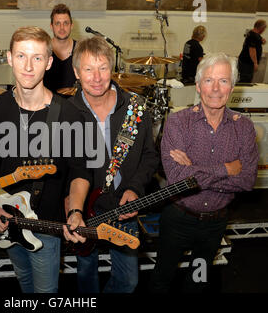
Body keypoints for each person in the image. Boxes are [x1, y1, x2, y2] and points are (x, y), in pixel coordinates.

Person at [0, 26, 91, 293]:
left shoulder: (69, 114)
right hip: (4, 216)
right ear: (9, 58)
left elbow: (80, 171)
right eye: (21, 56)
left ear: (49, 62)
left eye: (37, 58)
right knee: (24, 281)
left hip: (45, 223)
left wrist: (75, 210)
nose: (28, 66)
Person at [150, 53, 259, 293]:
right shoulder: (178, 123)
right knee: (162, 279)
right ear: (198, 87)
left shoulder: (244, 128)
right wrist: (226, 169)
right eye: (209, 81)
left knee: (197, 281)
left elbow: (247, 181)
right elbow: (178, 179)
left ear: (232, 87)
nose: (216, 89)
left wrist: (194, 173)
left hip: (215, 224)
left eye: (223, 81)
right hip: (178, 219)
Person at [69, 36, 159, 293]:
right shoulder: (67, 112)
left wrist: (135, 188)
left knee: (128, 281)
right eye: (88, 69)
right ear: (77, 72)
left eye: (103, 68)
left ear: (112, 69)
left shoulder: (135, 108)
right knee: (86, 274)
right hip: (84, 209)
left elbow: (150, 156)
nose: (96, 77)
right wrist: (70, 201)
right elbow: (65, 165)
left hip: (123, 207)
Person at [43, 4, 77, 94]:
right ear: (51, 26)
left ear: (71, 26)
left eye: (66, 23)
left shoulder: (81, 50)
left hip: (74, 105)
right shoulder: (43, 50)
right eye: (57, 23)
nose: (62, 28)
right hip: (48, 104)